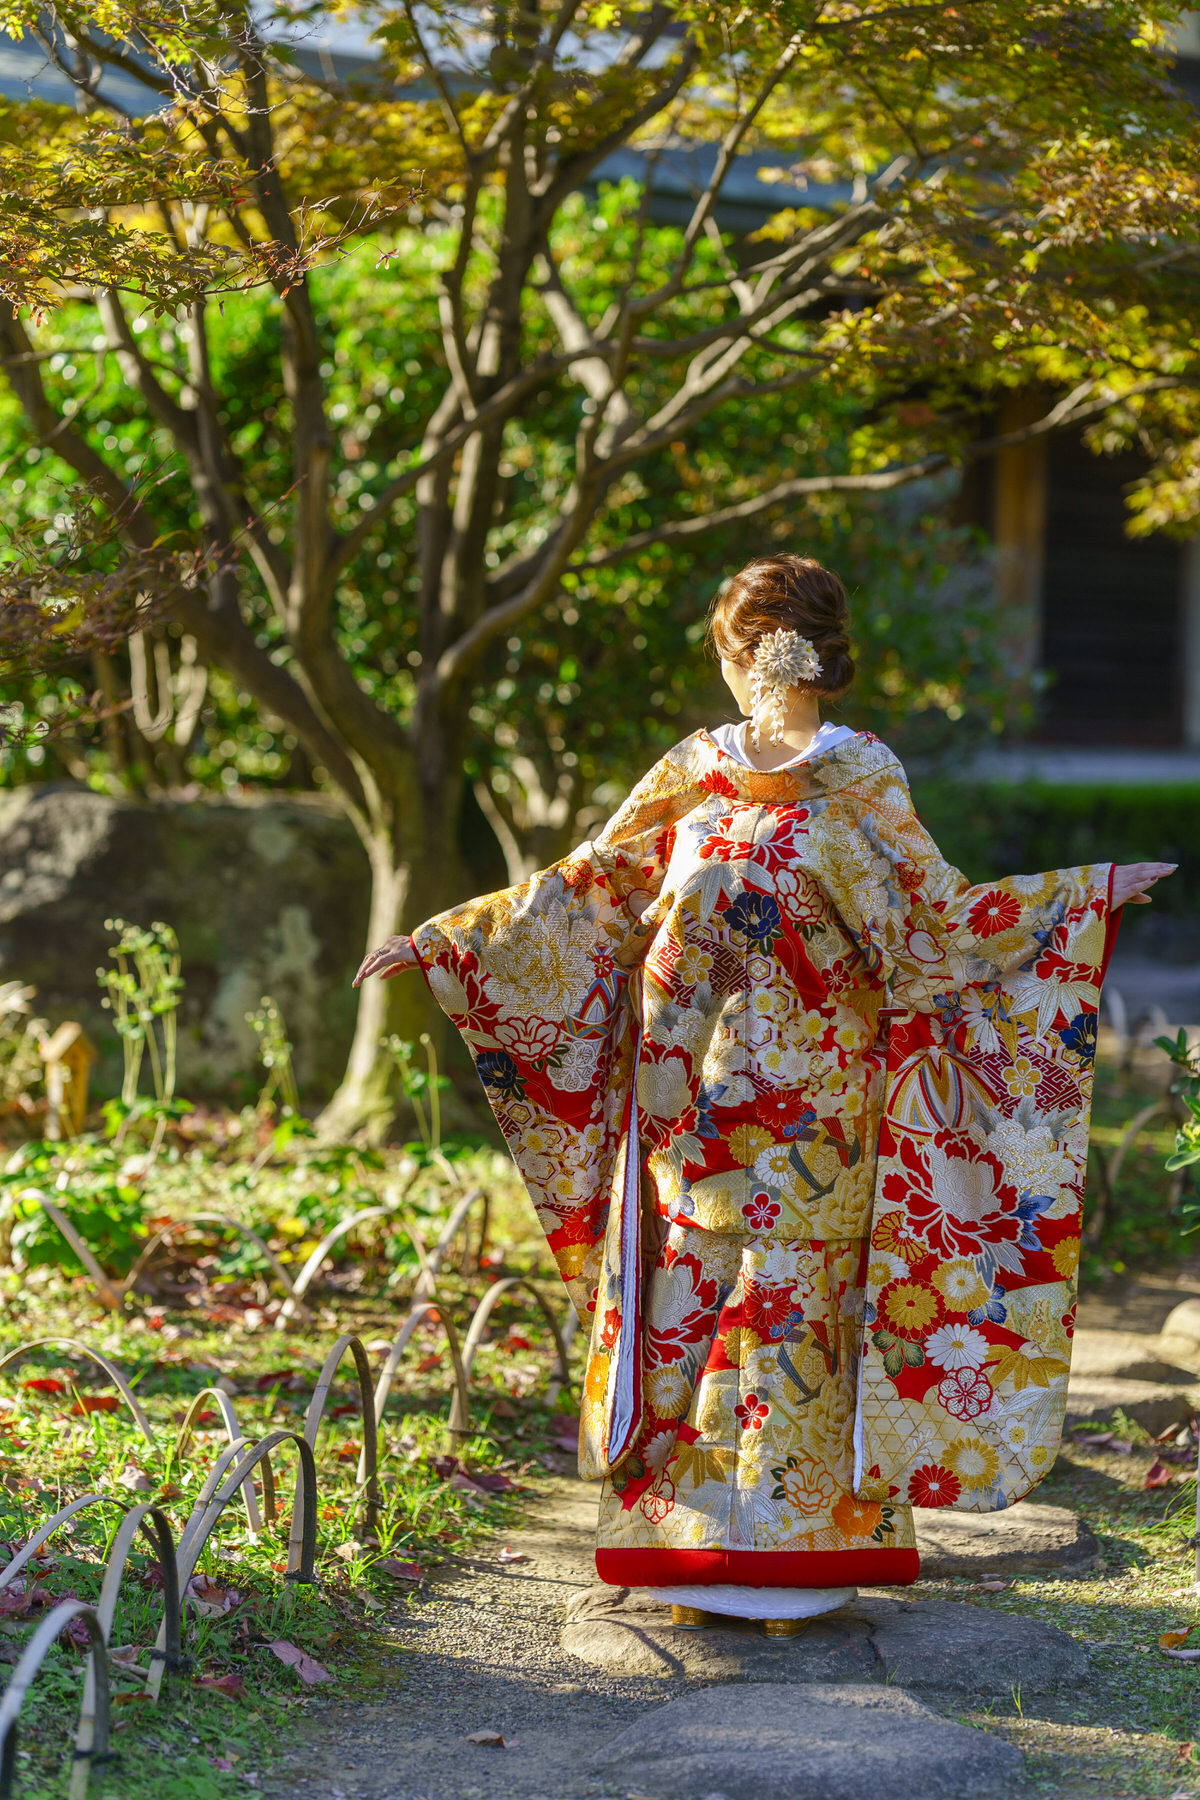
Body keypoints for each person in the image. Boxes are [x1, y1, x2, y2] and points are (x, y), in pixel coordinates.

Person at [356, 553, 1174, 1634]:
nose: (756, 674)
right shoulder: (693, 770)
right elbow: (590, 890)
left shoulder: (863, 776)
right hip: (681, 1096)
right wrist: (449, 945)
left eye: (751, 652)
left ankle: (801, 1554)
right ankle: (689, 1545)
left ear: (761, 656)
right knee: (692, 1294)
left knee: (800, 1313)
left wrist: (1082, 900)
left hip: (819, 1106)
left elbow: (935, 927)